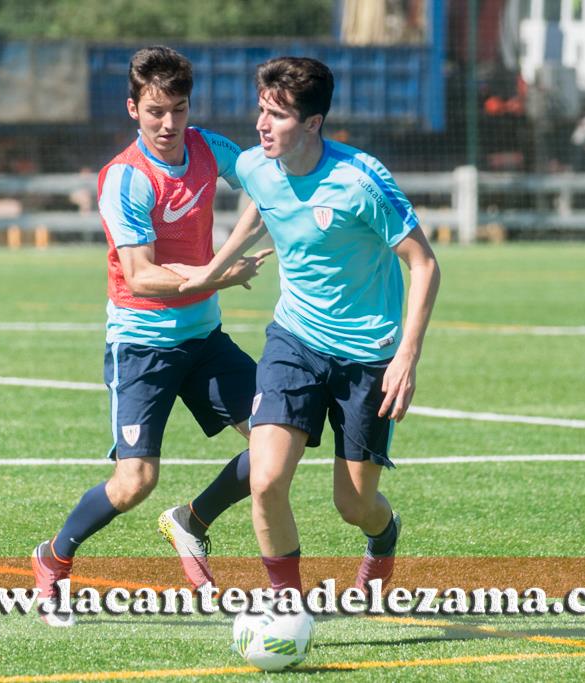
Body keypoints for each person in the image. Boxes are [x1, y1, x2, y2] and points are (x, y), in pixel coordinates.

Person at [171, 56, 440, 597]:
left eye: (278, 116)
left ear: (313, 124)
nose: (263, 125)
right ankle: (285, 604)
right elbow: (261, 203)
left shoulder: (360, 181)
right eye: (262, 111)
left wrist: (407, 357)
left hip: (369, 356)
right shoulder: (255, 164)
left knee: (354, 505)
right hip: (295, 341)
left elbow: (424, 263)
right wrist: (214, 268)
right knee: (268, 479)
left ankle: (383, 538)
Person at [31, 46, 271, 626]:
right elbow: (140, 276)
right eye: (156, 111)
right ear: (133, 108)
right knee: (135, 480)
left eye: (180, 109)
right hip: (142, 346)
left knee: (274, 445)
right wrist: (219, 273)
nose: (169, 125)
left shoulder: (211, 149)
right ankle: (53, 560)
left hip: (206, 338)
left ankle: (191, 521)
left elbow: (269, 189)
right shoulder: (125, 178)